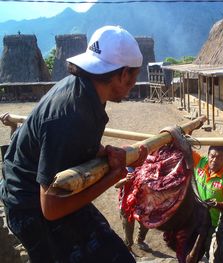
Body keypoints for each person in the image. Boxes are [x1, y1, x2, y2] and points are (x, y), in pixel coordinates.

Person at [0, 25, 147, 263]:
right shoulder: (68, 116)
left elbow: (75, 144)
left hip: (50, 193)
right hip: (30, 206)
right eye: (134, 77)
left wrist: (108, 153)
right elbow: (51, 208)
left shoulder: (86, 90)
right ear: (122, 74)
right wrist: (113, 176)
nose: (133, 85)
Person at [193, 145, 223, 258]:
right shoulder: (201, 162)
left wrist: (218, 205)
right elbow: (185, 149)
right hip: (194, 217)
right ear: (207, 156)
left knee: (210, 250)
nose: (214, 160)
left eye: (219, 158)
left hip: (212, 223)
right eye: (212, 156)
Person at [117, 167, 150, 252]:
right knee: (128, 229)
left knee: (145, 224)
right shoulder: (123, 169)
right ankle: (129, 247)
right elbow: (116, 185)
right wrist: (125, 180)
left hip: (141, 204)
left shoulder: (147, 164)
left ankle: (140, 240)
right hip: (126, 206)